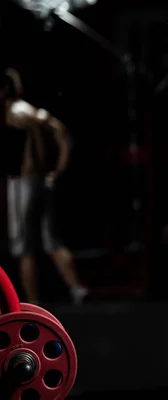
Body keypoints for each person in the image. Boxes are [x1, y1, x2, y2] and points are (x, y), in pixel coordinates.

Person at [2, 67, 90, 305]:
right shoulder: (36, 113)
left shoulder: (12, 115)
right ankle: (77, 289)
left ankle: (31, 303)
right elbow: (63, 134)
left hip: (22, 183)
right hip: (43, 180)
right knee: (51, 239)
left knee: (23, 247)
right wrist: (57, 171)